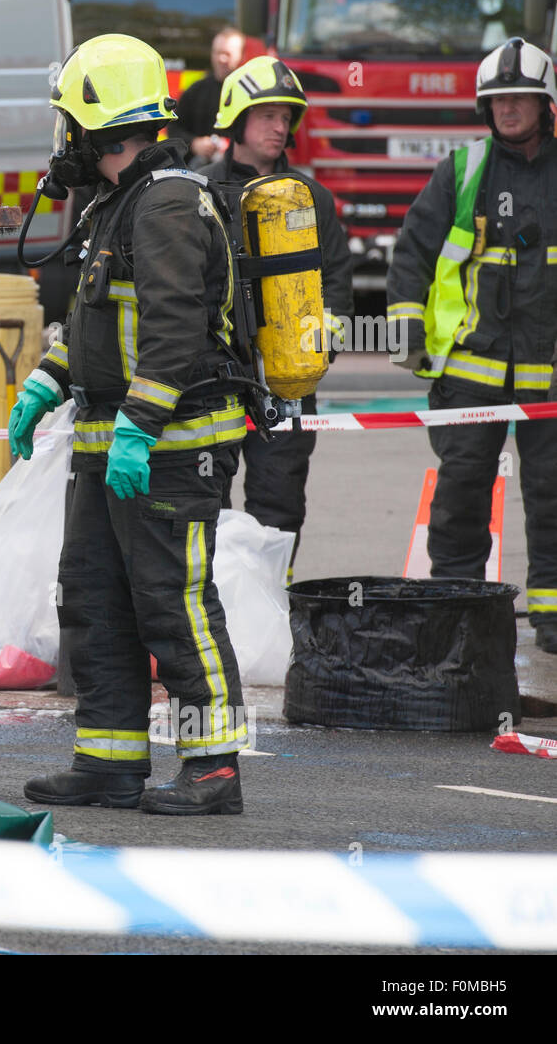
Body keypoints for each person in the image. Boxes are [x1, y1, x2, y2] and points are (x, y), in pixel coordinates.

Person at [10, 34, 252, 814]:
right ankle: (109, 761)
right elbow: (100, 322)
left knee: (175, 606)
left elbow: (174, 331)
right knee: (95, 603)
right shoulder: (122, 201)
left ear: (96, 125)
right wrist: (46, 382)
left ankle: (213, 766)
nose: (62, 142)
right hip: (109, 446)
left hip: (169, 449)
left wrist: (140, 426)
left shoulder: (168, 202)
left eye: (67, 125)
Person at [387, 37, 557, 654]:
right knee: (461, 492)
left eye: (520, 99)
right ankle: (457, 611)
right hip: (470, 369)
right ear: (485, 108)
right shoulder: (462, 172)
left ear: (544, 105)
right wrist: (405, 330)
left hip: (550, 373)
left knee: (552, 494)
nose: (508, 108)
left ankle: (553, 616)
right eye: (498, 100)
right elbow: (412, 252)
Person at [205, 56, 354, 577]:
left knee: (280, 500)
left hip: (286, 378)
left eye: (285, 117)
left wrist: (321, 347)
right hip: (216, 376)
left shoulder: (311, 199)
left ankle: (271, 598)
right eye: (266, 115)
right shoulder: (199, 191)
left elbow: (337, 282)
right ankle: (217, 600)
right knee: (205, 496)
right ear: (236, 120)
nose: (279, 126)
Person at [169, 27, 245, 167]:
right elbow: (173, 129)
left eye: (227, 54)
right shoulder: (196, 91)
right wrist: (194, 143)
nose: (221, 59)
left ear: (241, 55)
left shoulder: (248, 94)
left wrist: (231, 147)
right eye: (218, 53)